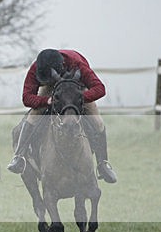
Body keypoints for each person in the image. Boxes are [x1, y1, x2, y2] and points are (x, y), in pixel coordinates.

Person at [7, 48, 117, 183]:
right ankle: (19, 157)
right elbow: (26, 98)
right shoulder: (36, 67)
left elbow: (100, 88)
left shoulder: (77, 64)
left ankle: (102, 164)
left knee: (98, 122)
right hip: (51, 92)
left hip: (77, 89)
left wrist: (79, 97)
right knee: (33, 116)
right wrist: (45, 101)